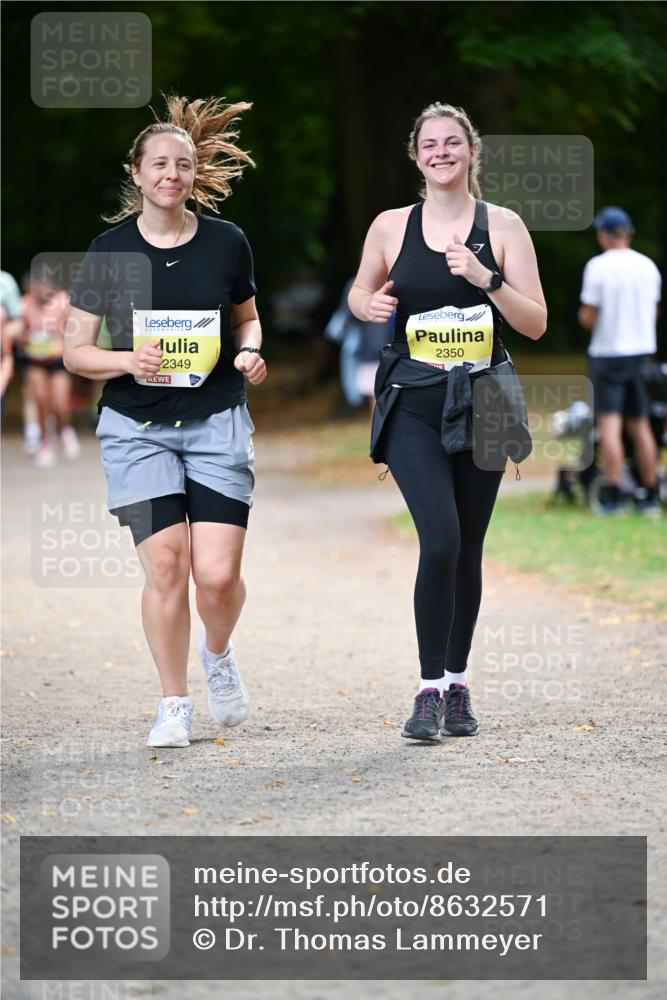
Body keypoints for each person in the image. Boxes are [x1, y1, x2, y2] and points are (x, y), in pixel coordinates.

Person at [64, 95, 267, 748]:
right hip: (137, 428)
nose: (171, 175)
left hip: (216, 422)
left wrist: (250, 351)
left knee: (217, 577)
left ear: (193, 174)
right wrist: (128, 359)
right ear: (136, 173)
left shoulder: (227, 242)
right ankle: (173, 702)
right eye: (158, 164)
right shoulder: (108, 251)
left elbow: (247, 319)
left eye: (182, 165)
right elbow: (75, 351)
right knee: (166, 566)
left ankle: (217, 653)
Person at [349, 102, 546, 742]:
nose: (441, 152)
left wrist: (486, 278)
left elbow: (535, 323)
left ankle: (458, 685)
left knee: (468, 548)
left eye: (452, 143)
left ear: (471, 151)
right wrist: (367, 304)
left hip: (485, 401)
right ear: (416, 156)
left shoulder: (503, 226)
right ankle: (428, 689)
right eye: (429, 144)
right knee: (440, 539)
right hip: (413, 400)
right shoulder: (390, 226)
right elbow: (359, 292)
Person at [578, 207, 662, 517]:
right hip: (641, 354)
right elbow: (654, 312)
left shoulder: (598, 267)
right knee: (640, 425)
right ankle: (650, 495)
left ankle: (614, 495)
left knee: (610, 425)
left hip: (609, 354)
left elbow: (590, 315)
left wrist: (585, 318)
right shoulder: (648, 266)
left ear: (605, 234)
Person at [20, 264, 80, 466]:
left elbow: (75, 329)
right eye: (36, 284)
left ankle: (64, 429)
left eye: (43, 283)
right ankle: (45, 443)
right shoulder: (25, 304)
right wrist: (25, 338)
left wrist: (61, 335)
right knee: (41, 400)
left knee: (60, 404)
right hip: (34, 360)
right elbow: (20, 331)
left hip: (57, 359)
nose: (40, 288)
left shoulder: (63, 302)